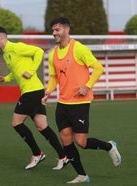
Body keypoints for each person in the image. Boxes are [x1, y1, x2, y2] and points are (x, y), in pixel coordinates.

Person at [41, 17, 121, 183]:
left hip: (80, 103)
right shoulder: (52, 54)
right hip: (62, 103)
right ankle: (82, 175)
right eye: (53, 30)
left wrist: (87, 85)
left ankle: (109, 146)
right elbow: (54, 77)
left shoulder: (78, 48)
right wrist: (48, 91)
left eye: (57, 29)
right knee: (65, 138)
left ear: (67, 29)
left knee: (81, 142)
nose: (54, 33)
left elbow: (98, 68)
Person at [0, 26, 69, 170]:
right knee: (42, 126)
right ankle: (63, 156)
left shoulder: (16, 47)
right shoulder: (6, 53)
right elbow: (16, 71)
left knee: (16, 123)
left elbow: (38, 52)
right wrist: (5, 79)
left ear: (1, 37)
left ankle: (37, 153)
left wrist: (31, 71)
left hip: (31, 91)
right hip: (34, 90)